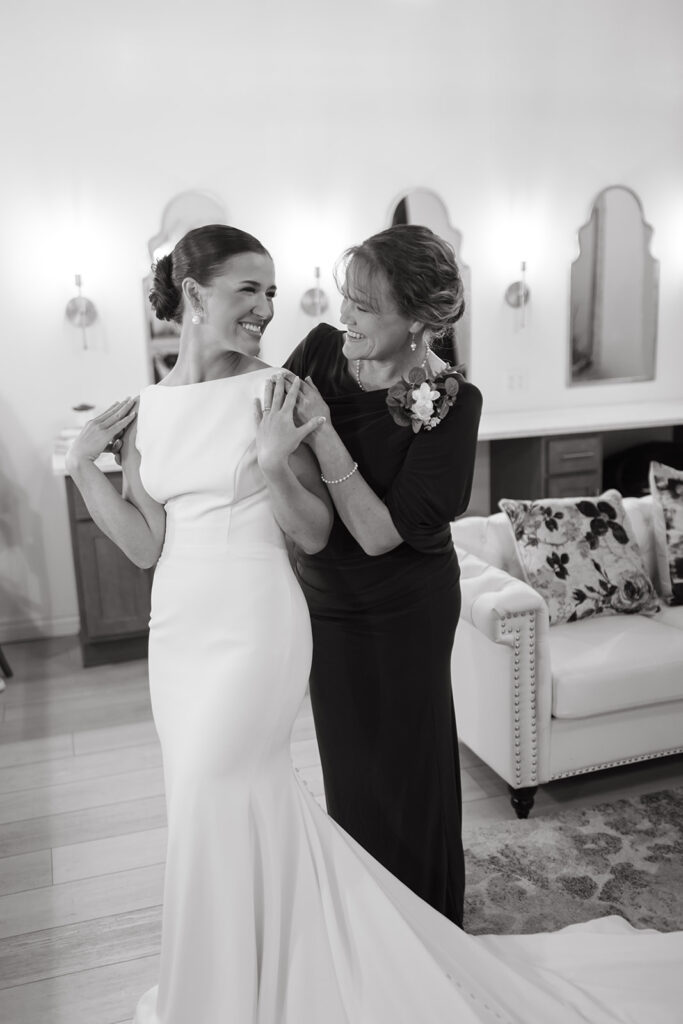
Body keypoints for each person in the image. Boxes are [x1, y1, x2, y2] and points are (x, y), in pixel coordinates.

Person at [65, 224, 683, 1024]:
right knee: (238, 795)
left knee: (320, 774)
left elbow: (352, 527)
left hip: (328, 613)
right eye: (250, 289)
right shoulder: (267, 372)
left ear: (415, 321)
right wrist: (86, 465)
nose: (284, 309)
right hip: (215, 626)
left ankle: (396, 930)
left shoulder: (369, 396)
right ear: (191, 293)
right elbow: (153, 536)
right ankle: (248, 967)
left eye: (274, 293)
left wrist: (292, 443)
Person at [283, 224, 480, 926]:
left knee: (410, 765)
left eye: (364, 306)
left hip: (406, 608)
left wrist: (324, 435)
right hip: (326, 602)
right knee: (351, 766)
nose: (345, 317)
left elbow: (373, 533)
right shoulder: (319, 353)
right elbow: (278, 450)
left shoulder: (453, 405)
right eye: (345, 298)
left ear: (419, 319)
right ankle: (366, 927)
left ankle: (429, 924)